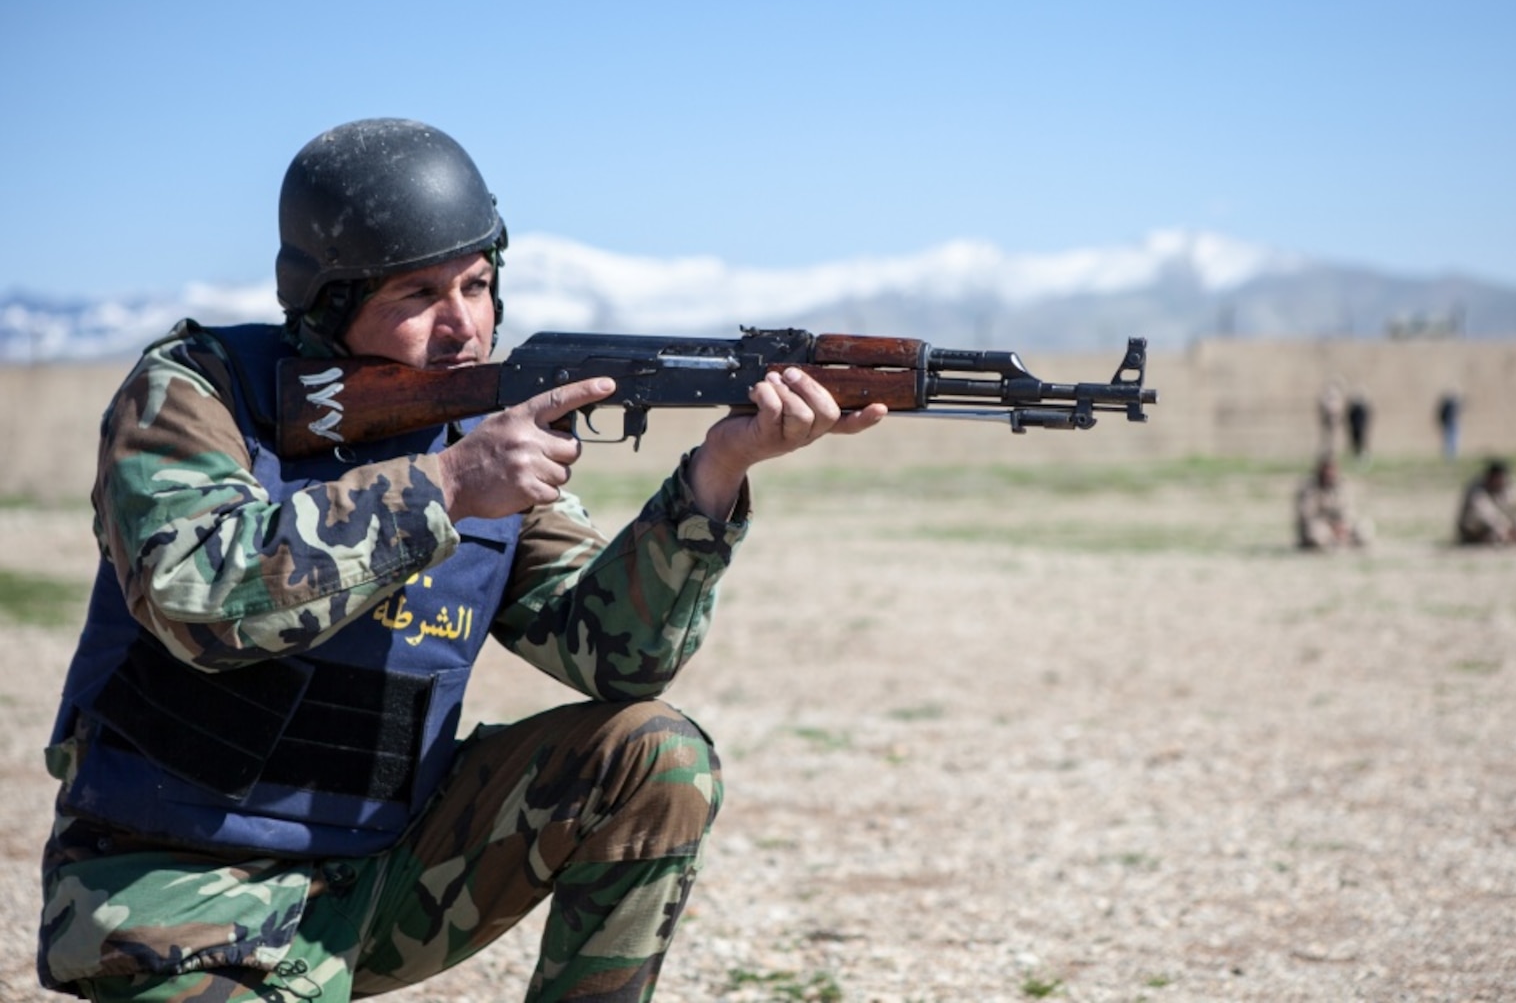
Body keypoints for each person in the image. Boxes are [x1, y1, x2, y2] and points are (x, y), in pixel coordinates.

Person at [35, 118, 887, 1002]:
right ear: (327, 302)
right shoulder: (202, 392)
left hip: (381, 880)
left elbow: (616, 657)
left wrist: (717, 472)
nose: (462, 327)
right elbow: (198, 602)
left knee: (653, 757)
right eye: (417, 297)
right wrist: (444, 486)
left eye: (478, 287)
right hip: (174, 894)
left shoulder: (488, 429)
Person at [1295, 455, 1373, 550]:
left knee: (1365, 527)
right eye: (1326, 470)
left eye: (1332, 470)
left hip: (1341, 527)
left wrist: (1343, 525)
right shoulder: (1309, 488)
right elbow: (1306, 515)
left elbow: (1349, 510)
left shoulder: (1343, 486)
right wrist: (1331, 526)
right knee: (1316, 532)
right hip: (1321, 527)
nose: (1329, 474)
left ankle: (1344, 541)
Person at [1456, 458, 1516, 546]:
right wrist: (1503, 528)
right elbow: (1484, 513)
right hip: (1479, 529)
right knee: (1495, 535)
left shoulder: (1512, 486)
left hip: (1506, 527)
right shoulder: (1476, 489)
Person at [1436, 392, 1462, 461]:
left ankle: (1450, 456)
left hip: (1449, 425)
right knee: (1451, 440)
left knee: (1450, 441)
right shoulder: (1451, 406)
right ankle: (1450, 457)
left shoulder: (1447, 407)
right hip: (1451, 425)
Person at [1345, 391, 1371, 458]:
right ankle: (1356, 455)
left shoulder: (1362, 409)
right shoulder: (1353, 409)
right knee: (1355, 441)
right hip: (1355, 428)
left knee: (1362, 441)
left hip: (1361, 428)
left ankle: (1362, 455)